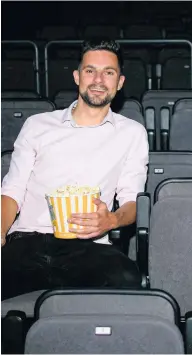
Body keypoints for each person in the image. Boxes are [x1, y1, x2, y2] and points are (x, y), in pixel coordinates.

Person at [1, 39, 149, 300]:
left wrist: (112, 220)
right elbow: (12, 190)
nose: (99, 80)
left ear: (120, 82)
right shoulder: (38, 125)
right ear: (77, 76)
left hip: (86, 247)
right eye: (90, 71)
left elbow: (132, 201)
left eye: (109, 72)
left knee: (127, 280)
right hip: (27, 241)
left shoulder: (132, 133)